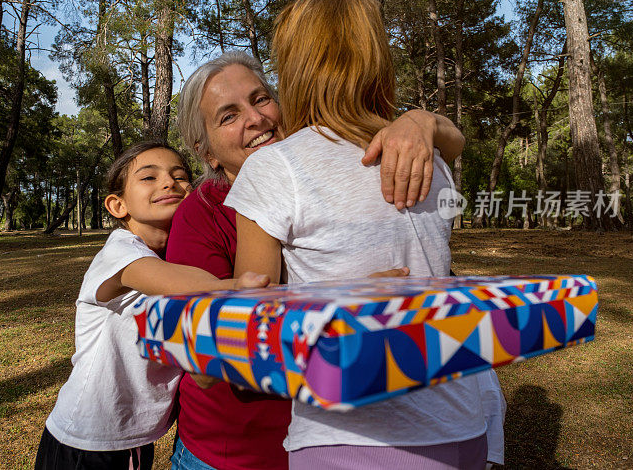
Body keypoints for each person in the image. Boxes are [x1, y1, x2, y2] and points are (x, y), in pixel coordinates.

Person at [224, 0, 488, 469]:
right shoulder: (426, 158)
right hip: (465, 422)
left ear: (295, 68)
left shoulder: (274, 168)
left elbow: (251, 346)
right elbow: (456, 144)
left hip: (351, 436)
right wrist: (423, 119)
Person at [167, 48, 469, 470]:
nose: (255, 119)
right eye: (228, 116)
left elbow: (448, 151)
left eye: (260, 99)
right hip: (240, 452)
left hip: (351, 436)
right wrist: (337, 299)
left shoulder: (325, 167)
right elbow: (201, 364)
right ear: (207, 152)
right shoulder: (199, 216)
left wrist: (423, 120)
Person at [34, 141, 269, 470]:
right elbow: (167, 280)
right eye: (148, 177)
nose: (169, 182)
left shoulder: (175, 250)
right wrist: (235, 285)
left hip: (135, 437)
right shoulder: (121, 253)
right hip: (86, 437)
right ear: (118, 205)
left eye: (181, 175)